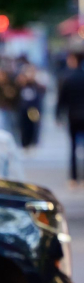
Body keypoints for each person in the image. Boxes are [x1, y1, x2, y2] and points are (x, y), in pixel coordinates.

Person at [56, 52, 84, 186]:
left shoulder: (68, 78)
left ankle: (73, 178)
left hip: (72, 116)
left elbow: (62, 100)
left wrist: (58, 115)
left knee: (72, 147)